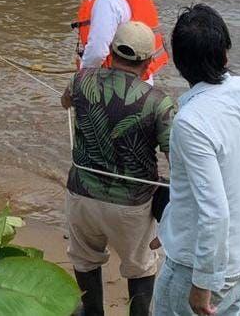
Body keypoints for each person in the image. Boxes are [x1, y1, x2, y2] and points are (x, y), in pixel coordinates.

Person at [153, 4, 240, 316]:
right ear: (225, 53)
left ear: (178, 63)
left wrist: (202, 285)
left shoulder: (190, 121)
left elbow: (215, 213)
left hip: (197, 269)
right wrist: (169, 227)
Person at [62, 21, 175, 316]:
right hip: (131, 207)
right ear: (149, 62)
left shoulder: (80, 80)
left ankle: (92, 312)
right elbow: (176, 158)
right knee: (139, 268)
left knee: (85, 260)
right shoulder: (158, 103)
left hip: (82, 197)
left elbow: (66, 102)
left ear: (111, 53)